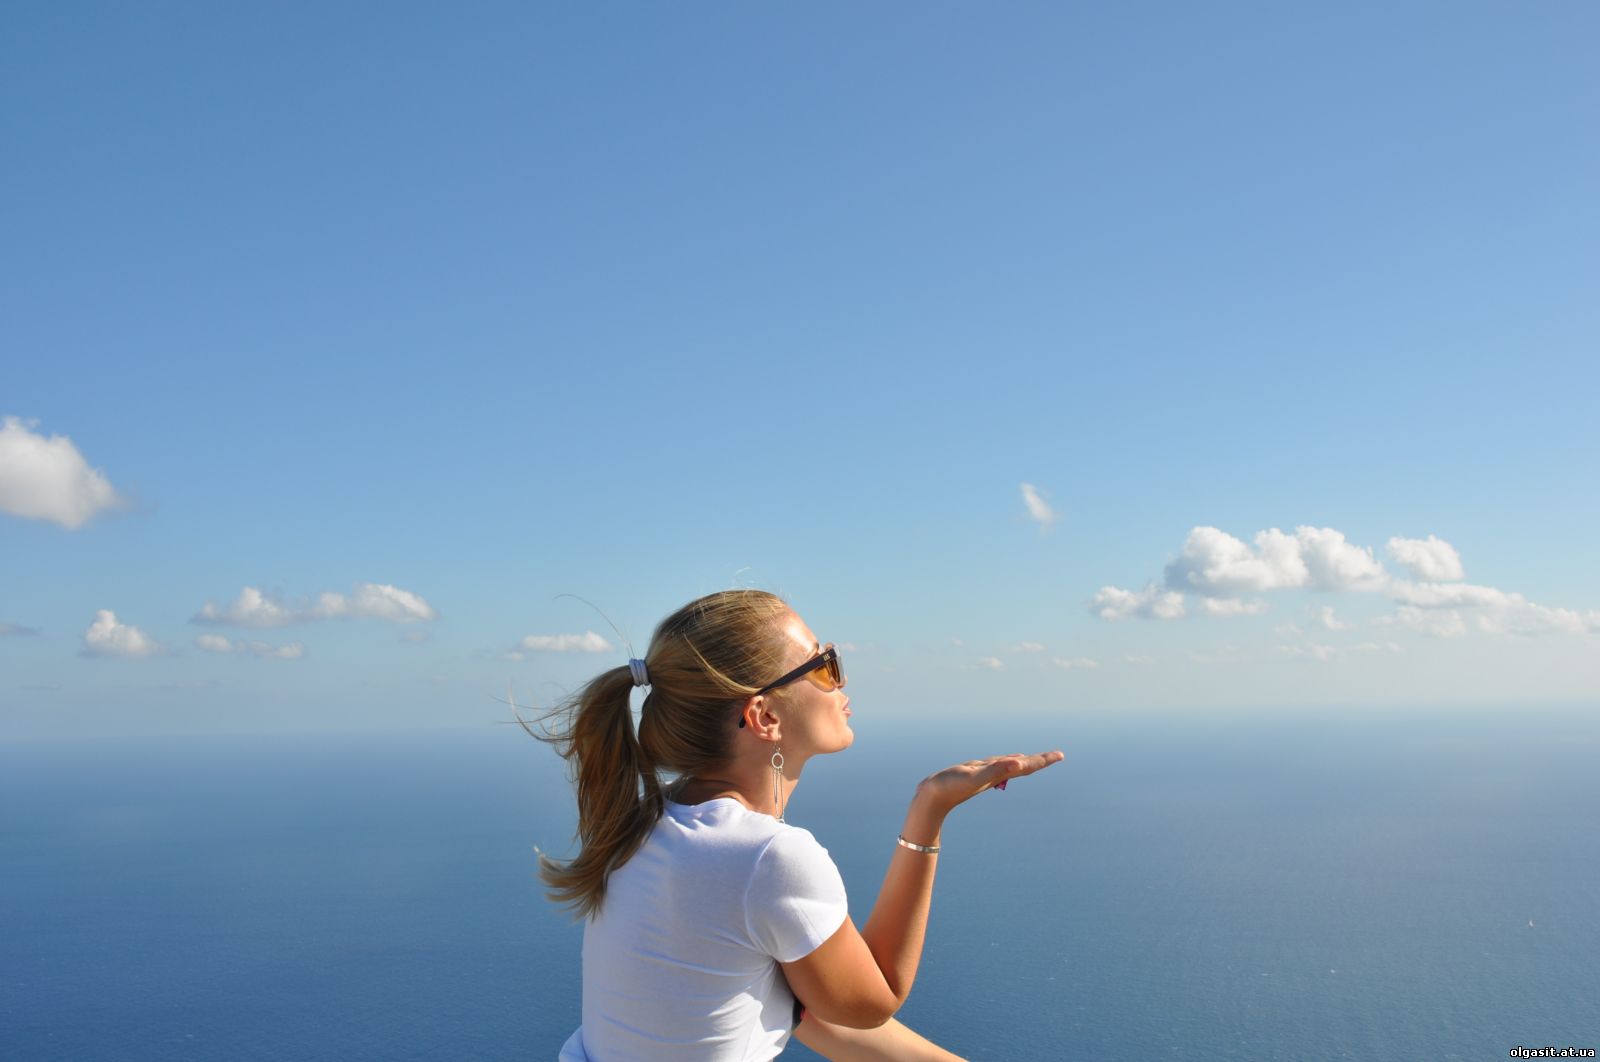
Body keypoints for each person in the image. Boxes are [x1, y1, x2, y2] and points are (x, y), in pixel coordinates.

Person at [531, 590, 1063, 1061]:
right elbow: (873, 1002)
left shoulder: (642, 828)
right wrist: (929, 812)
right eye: (824, 665)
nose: (842, 680)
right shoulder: (766, 858)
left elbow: (807, 1011)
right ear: (765, 716)